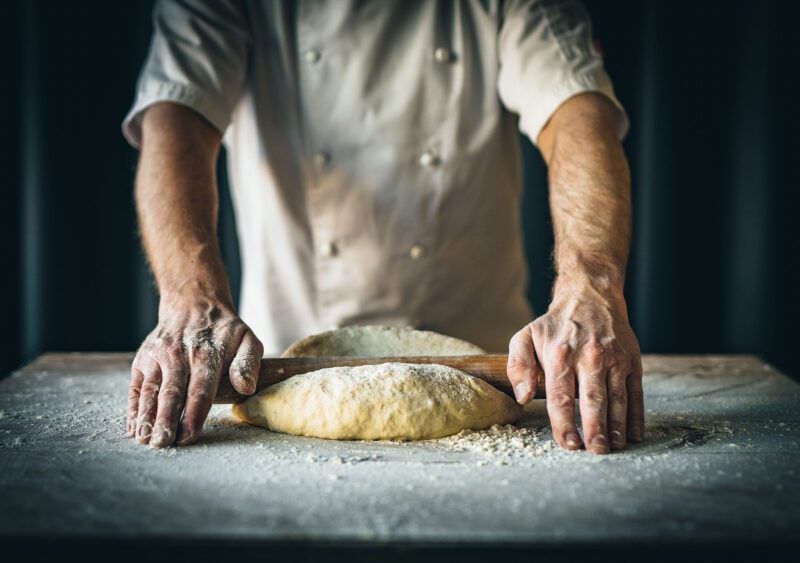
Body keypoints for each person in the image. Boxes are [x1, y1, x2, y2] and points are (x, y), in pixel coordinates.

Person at [123, 0, 644, 454]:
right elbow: (176, 119)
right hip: (279, 362)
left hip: (499, 366)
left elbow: (578, 111)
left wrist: (591, 287)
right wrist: (191, 298)